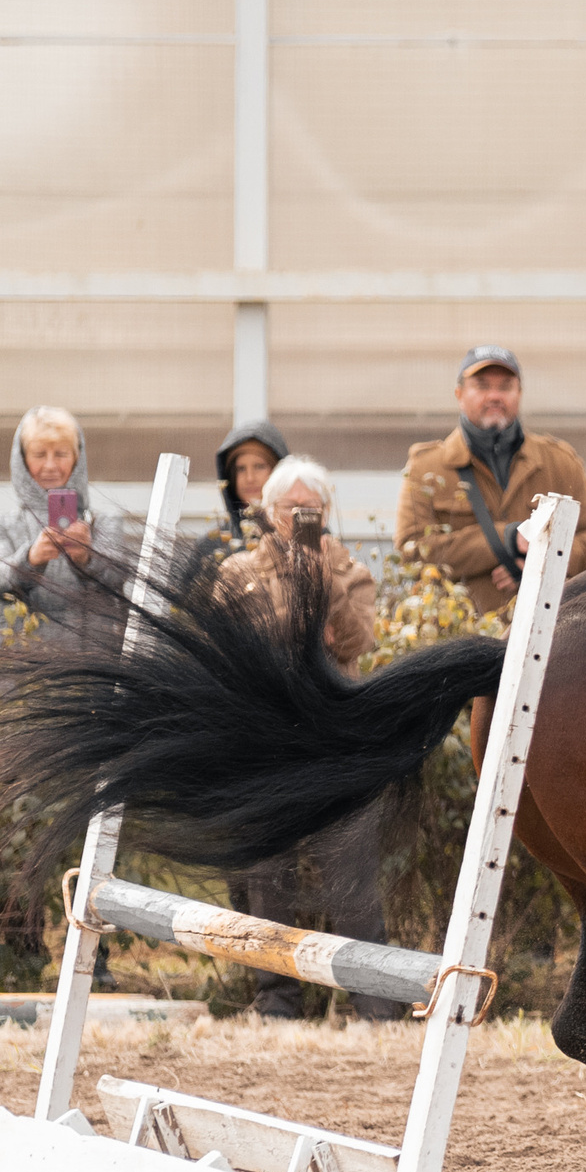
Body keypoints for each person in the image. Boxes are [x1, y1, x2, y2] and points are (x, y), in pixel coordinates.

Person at [214, 457, 402, 1021]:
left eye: (309, 511)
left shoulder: (349, 571)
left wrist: (321, 583)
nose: (298, 520)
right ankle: (276, 1003)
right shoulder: (235, 573)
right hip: (265, 742)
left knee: (352, 871)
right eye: (287, 509)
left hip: (335, 738)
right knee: (268, 875)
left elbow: (353, 641)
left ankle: (374, 1005)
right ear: (266, 513)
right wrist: (297, 618)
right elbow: (243, 650)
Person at [395, 347, 586, 612]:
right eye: (482, 386)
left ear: (519, 394)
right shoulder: (426, 468)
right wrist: (509, 537)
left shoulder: (559, 462)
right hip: (458, 639)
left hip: (546, 636)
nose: (495, 396)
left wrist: (543, 561)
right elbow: (412, 554)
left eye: (506, 386)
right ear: (459, 394)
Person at [0, 405, 133, 638]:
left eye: (61, 454)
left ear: (76, 459)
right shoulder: (2, 525)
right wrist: (30, 560)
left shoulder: (103, 523)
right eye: (39, 455)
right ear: (22, 460)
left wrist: (87, 559)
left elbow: (118, 574)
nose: (50, 465)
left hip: (92, 670)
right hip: (23, 669)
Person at [211, 417, 288, 550]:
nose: (250, 478)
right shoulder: (213, 545)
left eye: (259, 466)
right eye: (241, 469)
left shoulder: (310, 536)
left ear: (279, 470)